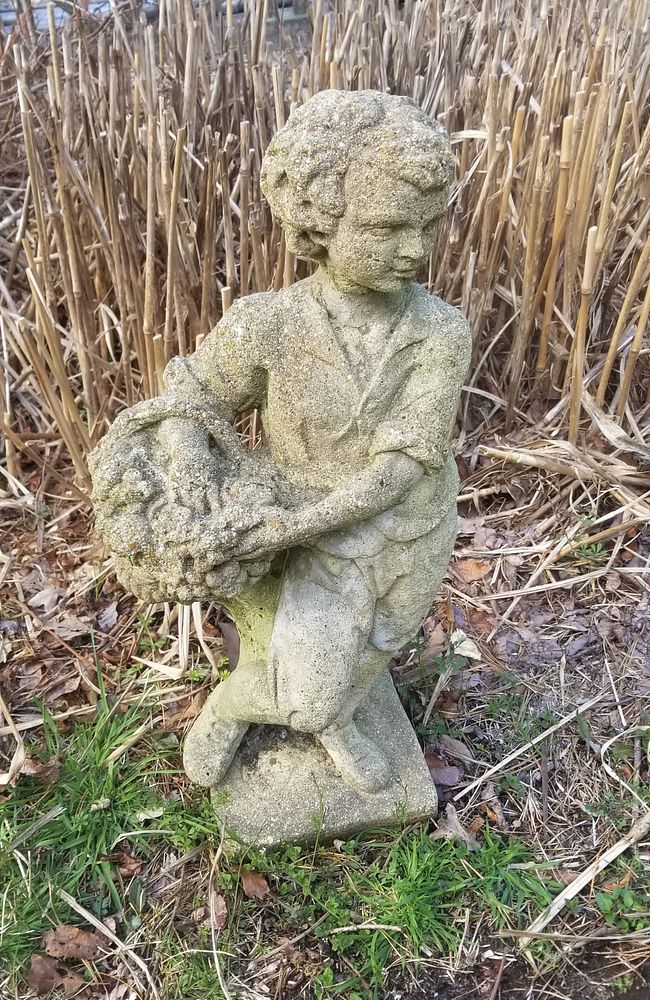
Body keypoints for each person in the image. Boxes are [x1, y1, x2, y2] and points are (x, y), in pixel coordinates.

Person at [161, 90, 471, 793]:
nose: (414, 250)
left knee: (373, 651)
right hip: (309, 542)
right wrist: (190, 468)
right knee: (310, 687)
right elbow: (189, 395)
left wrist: (286, 528)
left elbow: (398, 471)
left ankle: (335, 717)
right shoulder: (268, 323)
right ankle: (238, 707)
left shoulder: (439, 331)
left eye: (427, 227)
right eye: (387, 228)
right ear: (320, 224)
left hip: (405, 525)